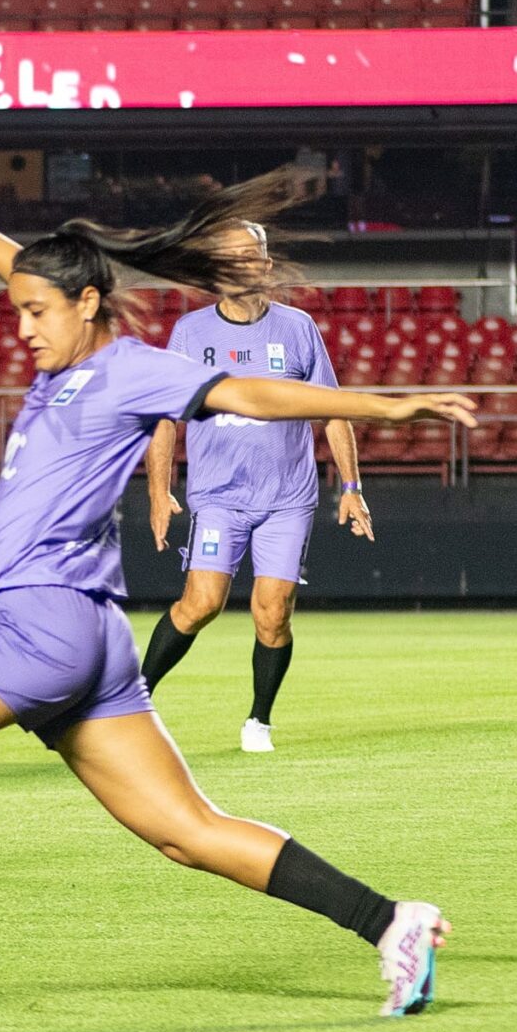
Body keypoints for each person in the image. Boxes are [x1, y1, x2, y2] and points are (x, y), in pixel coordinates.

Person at [0, 148, 475, 1018]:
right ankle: (392, 923)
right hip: (89, 640)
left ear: (87, 304)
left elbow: (252, 394)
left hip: (34, 625)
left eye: (37, 312)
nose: (22, 328)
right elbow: (22, 268)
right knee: (186, 832)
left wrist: (384, 408)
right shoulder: (63, 359)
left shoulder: (129, 367)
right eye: (18, 311)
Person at [140, 229, 367, 749]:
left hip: (287, 497)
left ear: (266, 265)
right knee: (201, 603)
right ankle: (134, 699)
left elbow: (332, 410)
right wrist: (159, 490)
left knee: (273, 610)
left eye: (249, 256)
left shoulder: (298, 328)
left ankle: (258, 720)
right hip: (218, 497)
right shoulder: (191, 333)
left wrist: (351, 486)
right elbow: (165, 419)